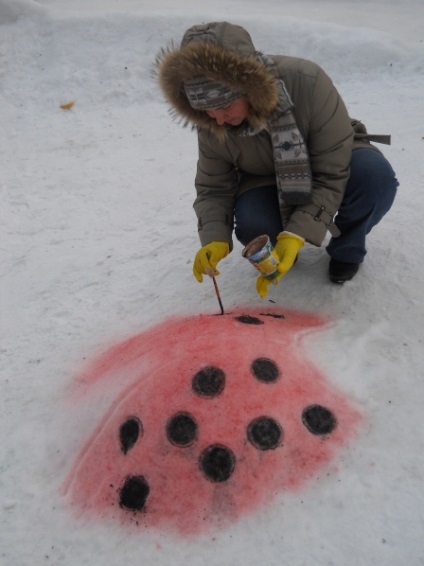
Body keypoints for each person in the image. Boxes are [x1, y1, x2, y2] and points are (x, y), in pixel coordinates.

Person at [155, 21, 398, 297]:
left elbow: (331, 172)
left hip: (328, 156)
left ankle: (347, 250)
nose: (218, 119)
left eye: (224, 106)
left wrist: (298, 232)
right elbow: (214, 186)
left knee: (374, 179)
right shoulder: (212, 120)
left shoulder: (308, 82)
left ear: (247, 88)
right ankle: (282, 255)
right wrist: (214, 239)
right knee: (253, 224)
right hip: (262, 175)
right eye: (207, 111)